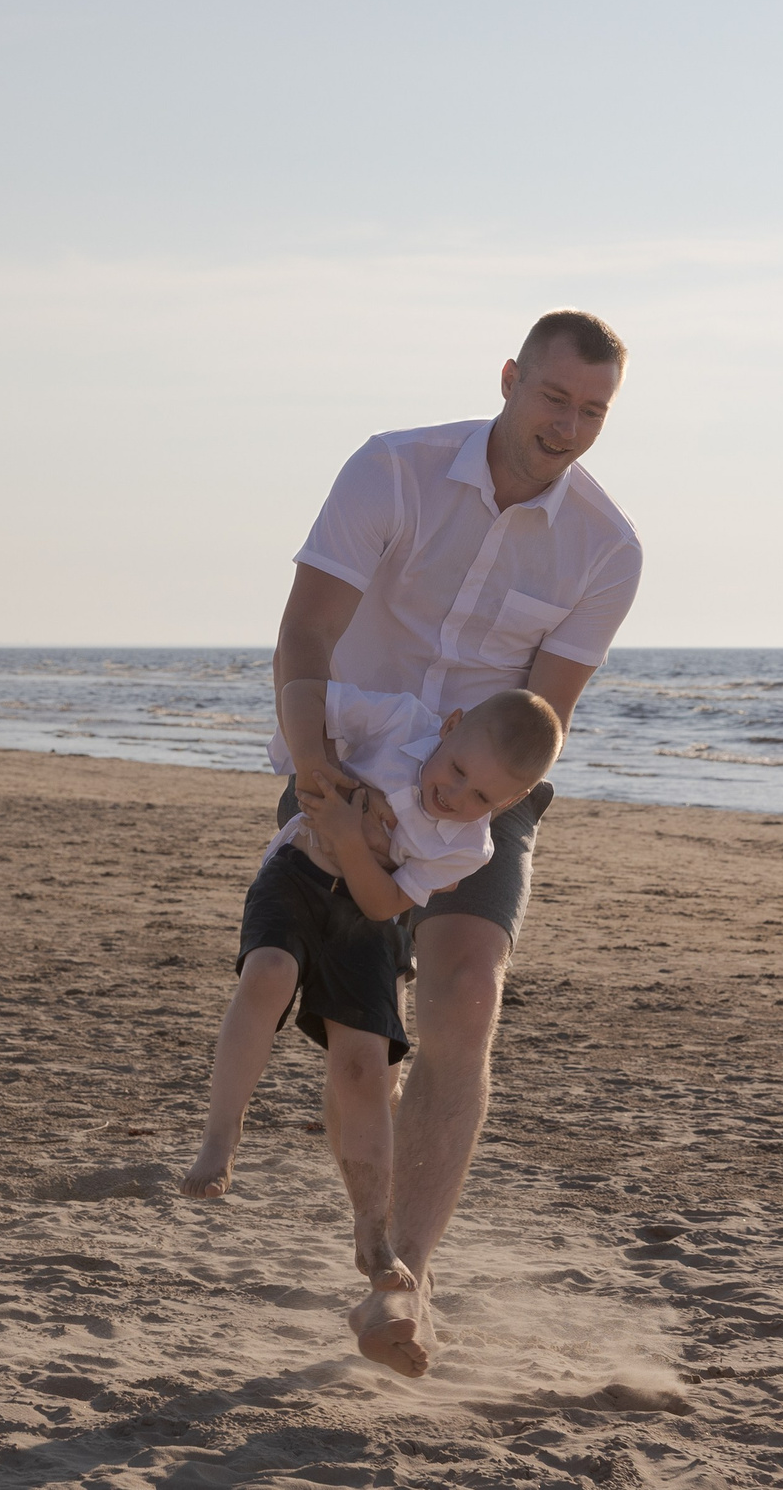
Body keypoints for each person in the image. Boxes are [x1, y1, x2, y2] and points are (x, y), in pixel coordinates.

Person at [268, 309, 641, 1376]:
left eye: (594, 411)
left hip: (478, 781)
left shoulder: (607, 547)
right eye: (554, 398)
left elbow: (540, 724)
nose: (568, 426)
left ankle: (407, 1277)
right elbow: (305, 632)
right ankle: (371, 1229)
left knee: (467, 989)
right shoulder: (393, 468)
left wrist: (454, 818)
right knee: (359, 1033)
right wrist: (324, 784)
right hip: (340, 751)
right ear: (511, 377)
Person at [179, 683, 562, 1367]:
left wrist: (355, 836)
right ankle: (220, 1134)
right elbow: (308, 713)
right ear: (446, 727)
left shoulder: (468, 847)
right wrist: (330, 782)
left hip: (368, 915)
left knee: (363, 1065)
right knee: (267, 972)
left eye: (483, 797)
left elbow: (385, 896)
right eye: (458, 771)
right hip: (296, 876)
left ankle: (372, 1229)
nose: (457, 797)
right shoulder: (395, 718)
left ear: (506, 807)